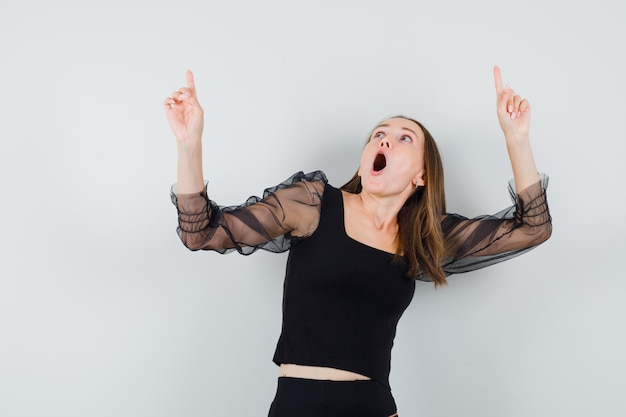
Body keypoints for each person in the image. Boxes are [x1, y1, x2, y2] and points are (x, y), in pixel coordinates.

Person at [164, 67, 552, 417]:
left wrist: (516, 140)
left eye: (404, 138)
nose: (385, 141)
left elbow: (533, 228)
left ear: (422, 175)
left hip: (374, 406)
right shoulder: (312, 203)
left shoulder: (423, 236)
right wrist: (189, 143)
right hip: (299, 403)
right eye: (378, 135)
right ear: (366, 154)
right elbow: (201, 232)